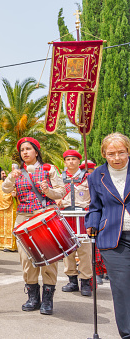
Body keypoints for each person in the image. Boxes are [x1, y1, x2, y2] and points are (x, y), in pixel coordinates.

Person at [2, 137, 65, 315]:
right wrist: (10, 179)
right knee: (26, 258)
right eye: (22, 150)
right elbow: (5, 189)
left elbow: (61, 191)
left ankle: (47, 299)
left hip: (44, 215)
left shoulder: (49, 169)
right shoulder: (17, 171)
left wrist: (48, 191)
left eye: (28, 149)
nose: (25, 153)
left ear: (36, 152)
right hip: (23, 217)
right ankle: (32, 297)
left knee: (49, 258)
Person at [86, 132, 130, 338]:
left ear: (128, 151)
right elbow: (95, 207)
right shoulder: (96, 176)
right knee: (121, 288)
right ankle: (127, 333)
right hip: (114, 238)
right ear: (104, 154)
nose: (117, 158)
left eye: (122, 152)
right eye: (111, 153)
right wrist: (92, 223)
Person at [56, 150, 92, 297]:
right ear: (65, 162)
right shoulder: (59, 178)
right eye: (68, 159)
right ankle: (72, 280)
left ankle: (85, 281)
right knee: (68, 250)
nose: (71, 162)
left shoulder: (87, 177)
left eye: (74, 159)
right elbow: (53, 194)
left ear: (79, 161)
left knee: (84, 251)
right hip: (66, 216)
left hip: (83, 216)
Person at [0, 168, 18, 252]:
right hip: (0, 210)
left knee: (11, 227)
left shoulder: (15, 183)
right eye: (3, 173)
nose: (4, 175)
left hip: (12, 209)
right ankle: (0, 245)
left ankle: (11, 246)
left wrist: (15, 195)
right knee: (1, 228)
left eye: (6, 173)